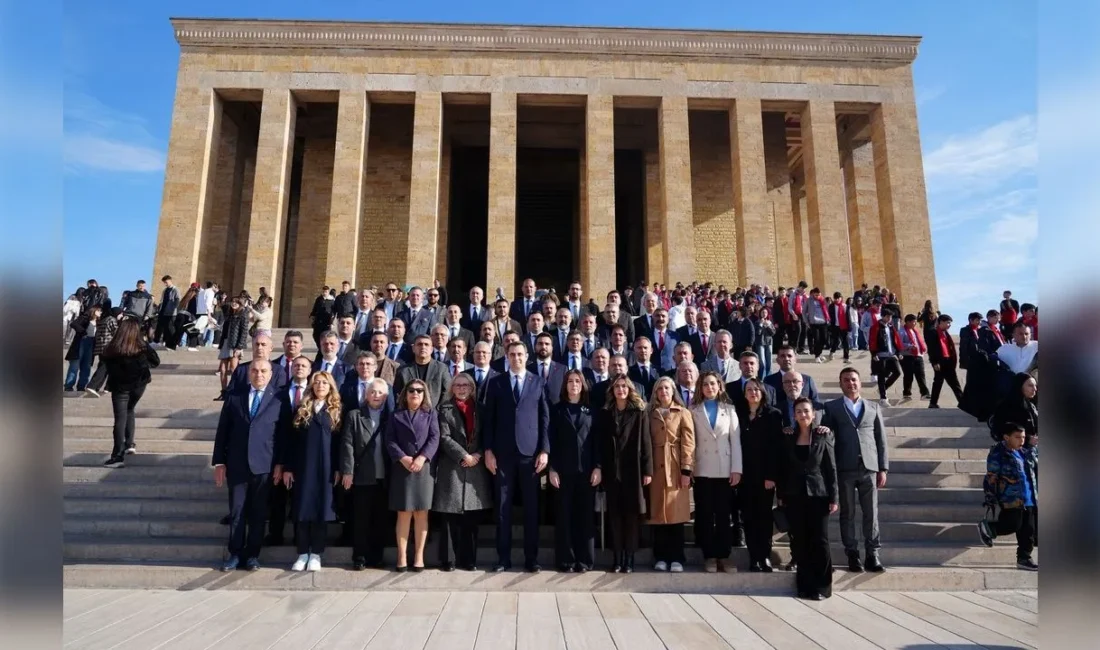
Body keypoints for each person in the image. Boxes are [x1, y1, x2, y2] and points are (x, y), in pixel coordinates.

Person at [482, 341, 551, 573]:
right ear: (506, 356)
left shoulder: (538, 381)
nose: (516, 358)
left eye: (520, 354)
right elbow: (488, 420)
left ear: (527, 356)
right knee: (503, 508)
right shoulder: (495, 382)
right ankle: (503, 558)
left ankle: (531, 559)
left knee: (532, 509)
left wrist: (545, 450)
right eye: (512, 354)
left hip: (530, 455)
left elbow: (544, 419)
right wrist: (488, 451)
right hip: (502, 456)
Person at [212, 359, 283, 572]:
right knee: (237, 511)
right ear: (248, 373)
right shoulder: (235, 397)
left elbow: (282, 436)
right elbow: (222, 430)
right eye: (254, 370)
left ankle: (252, 555)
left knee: (258, 512)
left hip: (264, 466)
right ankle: (235, 553)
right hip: (237, 464)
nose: (258, 374)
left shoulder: (279, 399)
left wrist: (280, 463)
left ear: (271, 374)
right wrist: (219, 462)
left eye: (263, 371)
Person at [820, 367, 888, 573]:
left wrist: (883, 468)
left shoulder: (873, 407)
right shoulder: (832, 408)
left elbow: (881, 439)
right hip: (844, 468)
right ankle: (852, 554)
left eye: (854, 380)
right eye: (846, 380)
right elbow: (828, 439)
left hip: (869, 467)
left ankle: (872, 554)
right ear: (841, 384)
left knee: (871, 513)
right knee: (847, 513)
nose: (851, 383)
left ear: (860, 382)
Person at [278, 371, 342, 572]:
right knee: (303, 511)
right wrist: (288, 467)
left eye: (324, 383)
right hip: (304, 468)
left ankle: (316, 554)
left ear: (330, 386)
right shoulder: (301, 409)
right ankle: (302, 552)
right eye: (317, 383)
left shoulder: (337, 410)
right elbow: (290, 441)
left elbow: (341, 444)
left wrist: (340, 468)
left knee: (321, 511)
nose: (320, 386)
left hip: (326, 469)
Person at [779, 397, 839, 599]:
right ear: (794, 415)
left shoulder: (823, 435)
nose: (803, 415)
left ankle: (822, 587)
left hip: (818, 495)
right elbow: (784, 468)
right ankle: (804, 585)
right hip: (795, 495)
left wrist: (834, 497)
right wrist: (782, 495)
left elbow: (830, 468)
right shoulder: (788, 436)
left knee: (820, 540)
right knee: (800, 541)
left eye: (806, 411)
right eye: (798, 412)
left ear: (813, 414)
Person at [432, 374, 493, 571]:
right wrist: (463, 455)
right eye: (457, 385)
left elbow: (488, 436)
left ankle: (468, 560)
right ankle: (448, 560)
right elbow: (443, 437)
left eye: (465, 385)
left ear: (472, 388)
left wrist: (478, 454)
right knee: (449, 517)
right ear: (452, 388)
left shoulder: (481, 409)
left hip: (476, 466)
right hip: (452, 466)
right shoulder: (444, 408)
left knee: (471, 518)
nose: (461, 388)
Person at [596, 374, 652, 573]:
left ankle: (630, 558)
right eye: (617, 387)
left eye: (624, 386)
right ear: (612, 390)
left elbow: (646, 442)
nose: (621, 390)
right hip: (612, 472)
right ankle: (617, 558)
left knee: (631, 516)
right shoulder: (605, 412)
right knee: (615, 517)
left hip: (633, 471)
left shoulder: (639, 411)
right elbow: (601, 444)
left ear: (630, 389)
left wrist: (648, 470)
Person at [384, 378, 440, 572]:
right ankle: (401, 556)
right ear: (405, 394)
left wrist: (422, 457)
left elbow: (435, 438)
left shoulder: (431, 414)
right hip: (402, 469)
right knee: (404, 513)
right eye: (411, 390)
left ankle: (418, 556)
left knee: (421, 513)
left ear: (424, 395)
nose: (415, 393)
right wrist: (402, 458)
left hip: (423, 469)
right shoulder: (395, 415)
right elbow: (389, 439)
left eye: (419, 390)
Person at [546, 370, 599, 572]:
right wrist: (552, 469)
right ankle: (566, 560)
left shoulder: (592, 410)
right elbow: (551, 441)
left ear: (583, 385)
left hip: (587, 472)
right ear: (564, 385)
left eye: (577, 381)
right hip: (563, 471)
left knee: (585, 518)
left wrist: (598, 467)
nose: (574, 384)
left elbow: (596, 442)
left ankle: (585, 560)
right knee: (564, 517)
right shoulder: (557, 410)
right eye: (570, 381)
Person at [690, 371, 742, 573]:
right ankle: (709, 555)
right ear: (700, 388)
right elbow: (691, 441)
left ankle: (724, 555)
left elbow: (735, 441)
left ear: (719, 386)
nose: (709, 388)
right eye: (705, 384)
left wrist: (737, 469)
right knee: (704, 514)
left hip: (724, 469)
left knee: (724, 515)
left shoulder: (729, 410)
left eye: (713, 384)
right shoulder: (693, 410)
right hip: (702, 468)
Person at [339, 376, 392, 570]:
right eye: (372, 391)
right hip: (362, 475)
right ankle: (359, 557)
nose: (376, 395)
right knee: (361, 519)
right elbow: (347, 445)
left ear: (386, 396)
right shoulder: (354, 415)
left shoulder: (390, 417)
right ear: (366, 394)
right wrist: (347, 471)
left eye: (380, 392)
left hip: (384, 477)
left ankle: (376, 557)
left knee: (380, 520)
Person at [646, 376, 695, 573]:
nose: (663, 392)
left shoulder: (683, 412)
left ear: (673, 391)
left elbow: (689, 442)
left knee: (676, 515)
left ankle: (677, 557)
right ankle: (660, 556)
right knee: (658, 515)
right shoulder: (650, 413)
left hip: (675, 467)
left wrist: (686, 470)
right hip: (656, 469)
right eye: (660, 389)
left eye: (667, 388)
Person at [735, 378, 783, 572]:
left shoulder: (773, 415)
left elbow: (775, 448)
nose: (753, 392)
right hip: (745, 475)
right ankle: (754, 557)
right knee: (748, 517)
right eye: (749, 389)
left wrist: (771, 476)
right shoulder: (739, 414)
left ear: (762, 392)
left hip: (765, 477)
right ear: (744, 393)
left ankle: (765, 556)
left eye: (756, 389)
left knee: (764, 517)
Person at [99, 319, 160, 467]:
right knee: (130, 410)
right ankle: (129, 444)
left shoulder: (112, 347)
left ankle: (117, 455)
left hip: (120, 386)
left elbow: (105, 364)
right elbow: (156, 361)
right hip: (138, 385)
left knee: (120, 418)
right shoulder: (141, 346)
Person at [978, 423, 1039, 571]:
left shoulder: (1025, 452)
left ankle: (1024, 558)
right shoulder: (998, 452)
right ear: (1007, 437)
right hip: (1011, 497)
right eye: (1017, 437)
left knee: (1029, 530)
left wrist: (1033, 447)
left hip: (1030, 497)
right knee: (1012, 524)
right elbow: (991, 476)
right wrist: (990, 496)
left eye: (1023, 437)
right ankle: (988, 527)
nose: (1021, 440)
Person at [925, 314, 964, 409]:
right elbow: (931, 349)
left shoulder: (946, 333)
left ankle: (963, 403)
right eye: (947, 322)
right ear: (941, 322)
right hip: (939, 362)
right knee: (938, 383)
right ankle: (933, 403)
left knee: (955, 384)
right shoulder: (933, 333)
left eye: (950, 323)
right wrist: (934, 362)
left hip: (948, 361)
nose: (949, 325)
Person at [988, 374, 1039, 444]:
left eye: (1035, 385)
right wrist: (1027, 439)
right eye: (1030, 385)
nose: (1035, 389)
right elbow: (999, 431)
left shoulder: (1030, 405)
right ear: (1020, 386)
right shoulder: (1006, 407)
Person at [215, 298, 249, 401]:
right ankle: (224, 392)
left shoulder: (243, 315)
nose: (233, 303)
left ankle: (235, 390)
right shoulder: (229, 315)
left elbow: (244, 332)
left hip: (235, 345)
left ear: (240, 304)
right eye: (232, 302)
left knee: (234, 368)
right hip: (226, 342)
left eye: (236, 302)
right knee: (223, 369)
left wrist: (239, 347)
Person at [868, 309, 903, 406]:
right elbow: (872, 341)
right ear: (882, 316)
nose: (889, 318)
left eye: (890, 317)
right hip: (881, 355)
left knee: (897, 372)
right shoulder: (876, 327)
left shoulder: (891, 327)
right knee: (881, 376)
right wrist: (874, 354)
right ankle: (883, 398)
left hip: (891, 354)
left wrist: (899, 352)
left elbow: (895, 340)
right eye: (887, 316)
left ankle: (883, 388)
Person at [84, 306, 120, 397]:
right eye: (121, 314)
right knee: (104, 367)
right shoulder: (112, 320)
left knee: (105, 366)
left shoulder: (104, 320)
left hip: (101, 347)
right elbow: (117, 333)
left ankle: (96, 388)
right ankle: (92, 386)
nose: (121, 316)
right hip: (108, 347)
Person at [65, 306, 100, 392]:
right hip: (82, 341)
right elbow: (73, 324)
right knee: (75, 365)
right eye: (99, 311)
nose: (100, 312)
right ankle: (68, 386)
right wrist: (83, 332)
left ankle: (81, 386)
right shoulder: (85, 318)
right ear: (94, 311)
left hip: (91, 343)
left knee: (86, 366)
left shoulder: (99, 322)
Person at [898, 314, 931, 401]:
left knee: (921, 375)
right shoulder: (901, 331)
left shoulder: (915, 331)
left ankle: (924, 393)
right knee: (909, 375)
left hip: (918, 355)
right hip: (907, 356)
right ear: (908, 322)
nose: (915, 323)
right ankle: (907, 393)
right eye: (913, 321)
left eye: (915, 321)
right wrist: (909, 346)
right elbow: (899, 343)